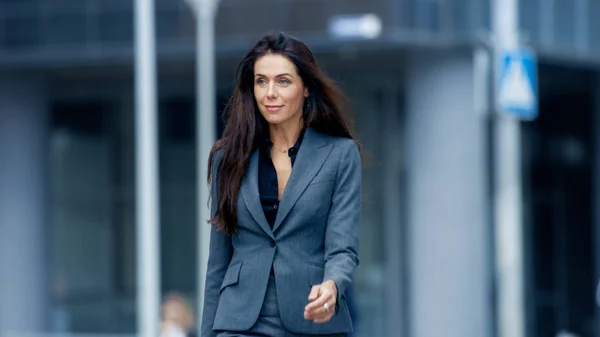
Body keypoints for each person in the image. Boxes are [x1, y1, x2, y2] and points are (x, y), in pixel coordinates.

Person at [201, 31, 362, 337]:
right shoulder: (229, 157)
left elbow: (343, 248)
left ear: (305, 88)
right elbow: (217, 263)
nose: (269, 92)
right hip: (239, 322)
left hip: (312, 319)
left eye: (283, 81)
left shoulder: (341, 155)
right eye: (261, 81)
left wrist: (332, 284)